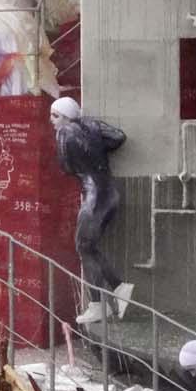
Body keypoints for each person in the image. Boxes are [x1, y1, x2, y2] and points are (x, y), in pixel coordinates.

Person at [49, 97, 130, 324]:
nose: (51, 120)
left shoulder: (65, 133)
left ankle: (101, 302)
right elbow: (118, 137)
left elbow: (65, 167)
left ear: (65, 117)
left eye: (55, 116)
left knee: (83, 246)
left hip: (93, 196)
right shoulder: (91, 126)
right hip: (110, 193)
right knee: (88, 246)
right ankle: (117, 288)